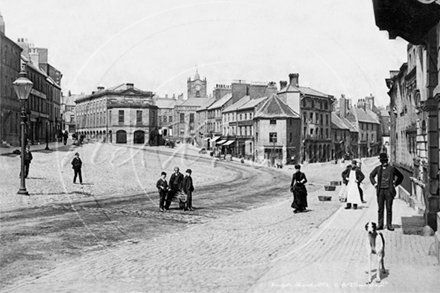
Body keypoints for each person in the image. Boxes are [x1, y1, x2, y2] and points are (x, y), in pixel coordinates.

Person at [369, 153, 404, 231]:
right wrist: (375, 184)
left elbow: (401, 176)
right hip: (380, 191)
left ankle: (389, 225)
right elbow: (371, 175)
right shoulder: (378, 169)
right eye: (382, 161)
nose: (383, 162)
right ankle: (380, 225)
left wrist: (395, 184)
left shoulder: (392, 169)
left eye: (384, 161)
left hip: (389, 191)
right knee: (380, 209)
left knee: (389, 209)